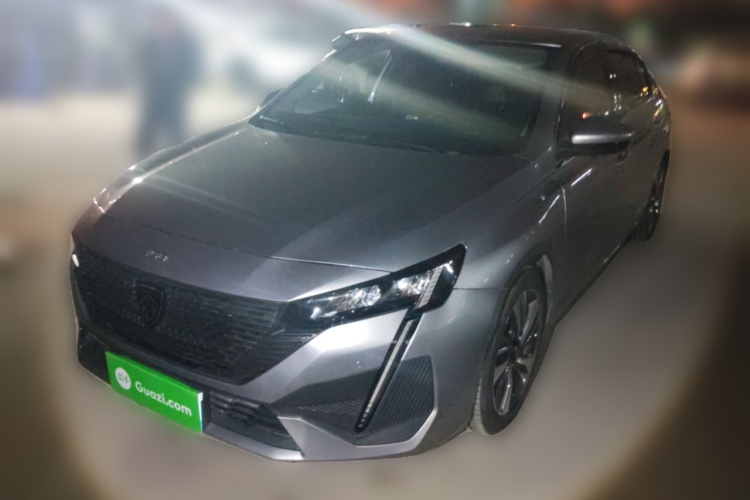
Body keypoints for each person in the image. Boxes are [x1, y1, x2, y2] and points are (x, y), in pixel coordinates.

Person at [135, 8, 198, 158]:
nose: (163, 26)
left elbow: (192, 63)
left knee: (176, 128)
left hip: (174, 92)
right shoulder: (148, 43)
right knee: (148, 127)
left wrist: (183, 80)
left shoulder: (185, 42)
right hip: (154, 91)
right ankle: (140, 156)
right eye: (159, 23)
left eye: (166, 23)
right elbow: (140, 62)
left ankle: (181, 155)